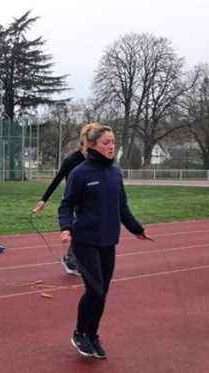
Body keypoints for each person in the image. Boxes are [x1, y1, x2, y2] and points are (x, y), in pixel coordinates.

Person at [58, 124, 153, 359]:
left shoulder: (115, 173)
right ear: (92, 145)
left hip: (108, 240)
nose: (111, 147)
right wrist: (66, 228)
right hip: (85, 240)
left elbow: (122, 207)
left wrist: (136, 229)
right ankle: (80, 333)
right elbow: (66, 204)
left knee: (103, 292)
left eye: (113, 142)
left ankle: (92, 334)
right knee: (96, 290)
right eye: (106, 143)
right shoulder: (80, 173)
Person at [32, 123, 101, 275]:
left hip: (90, 201)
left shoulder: (97, 160)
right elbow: (57, 180)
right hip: (73, 200)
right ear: (83, 144)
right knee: (80, 230)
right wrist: (43, 200)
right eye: (89, 147)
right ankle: (71, 260)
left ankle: (77, 259)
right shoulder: (71, 160)